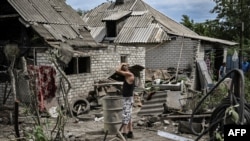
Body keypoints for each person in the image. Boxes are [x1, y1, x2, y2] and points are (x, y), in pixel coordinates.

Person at [116, 63, 135, 139]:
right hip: (129, 98)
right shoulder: (129, 75)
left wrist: (121, 64)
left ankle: (124, 134)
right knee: (129, 116)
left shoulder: (129, 74)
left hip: (127, 99)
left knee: (125, 116)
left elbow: (117, 70)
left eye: (124, 67)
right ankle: (130, 132)